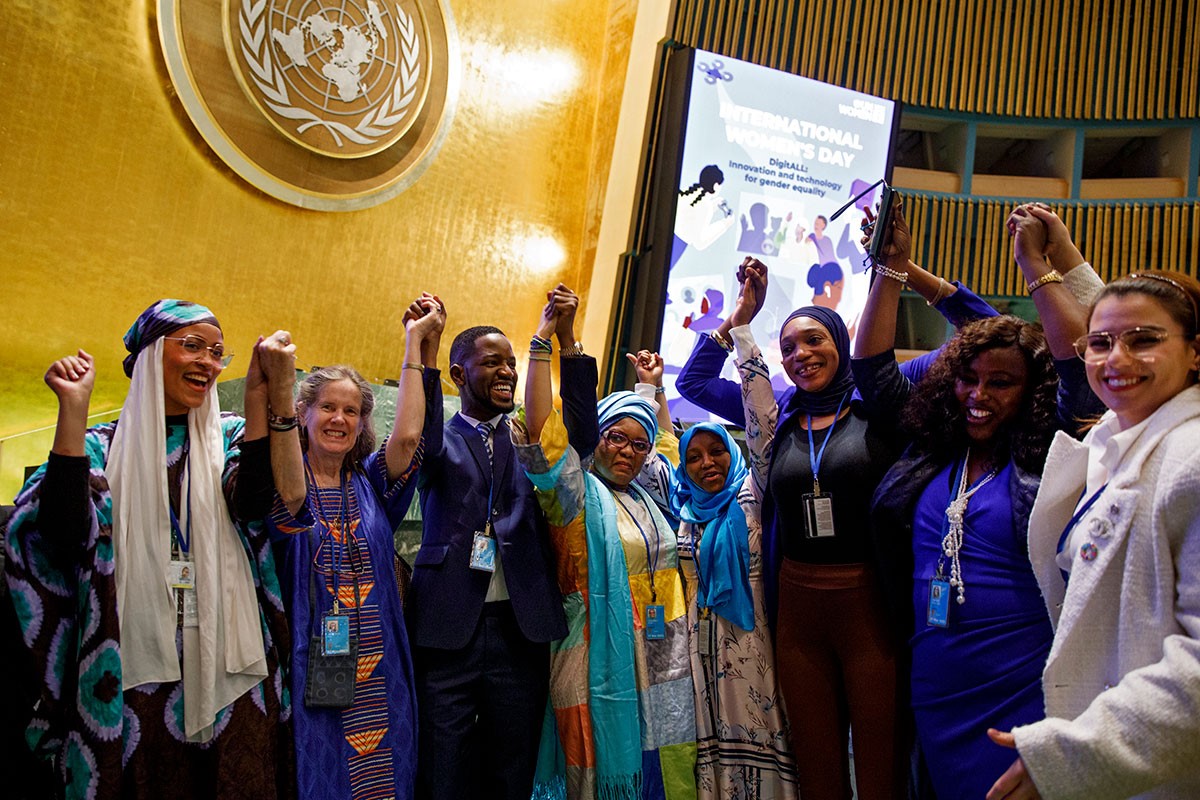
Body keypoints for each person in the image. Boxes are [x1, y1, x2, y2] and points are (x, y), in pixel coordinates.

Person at [676, 259, 996, 800]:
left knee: (880, 771)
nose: (801, 355)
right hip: (798, 612)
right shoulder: (775, 409)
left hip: (872, 606)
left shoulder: (887, 394)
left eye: (814, 340)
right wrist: (739, 317)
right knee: (818, 772)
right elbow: (695, 382)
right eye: (789, 348)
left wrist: (910, 274)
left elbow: (981, 336)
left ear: (843, 342)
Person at [854, 202, 1104, 800]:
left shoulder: (1046, 454)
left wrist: (1035, 264)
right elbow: (874, 375)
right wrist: (891, 269)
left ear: (1029, 389)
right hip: (935, 684)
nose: (979, 395)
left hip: (1022, 687)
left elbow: (1077, 370)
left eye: (1001, 383)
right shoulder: (931, 450)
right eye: (968, 379)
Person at [4, 300, 292, 798]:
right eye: (193, 346)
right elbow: (62, 534)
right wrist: (71, 412)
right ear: (149, 355)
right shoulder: (100, 447)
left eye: (217, 352)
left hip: (229, 660)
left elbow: (252, 504)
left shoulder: (230, 438)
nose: (208, 360)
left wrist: (257, 400)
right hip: (131, 672)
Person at [986, 269, 1200, 799]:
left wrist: (1075, 754)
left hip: (1164, 763)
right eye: (1100, 343)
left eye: (1144, 340)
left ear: (1195, 352)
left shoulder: (1191, 459)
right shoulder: (1114, 443)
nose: (1117, 359)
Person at [247, 295, 445, 799]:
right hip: (314, 665)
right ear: (303, 415)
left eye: (351, 411)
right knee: (323, 776)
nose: (340, 419)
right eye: (328, 407)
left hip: (383, 666)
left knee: (391, 777)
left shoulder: (370, 482)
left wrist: (413, 345)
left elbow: (408, 438)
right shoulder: (283, 483)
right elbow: (293, 499)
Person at [407, 285, 599, 800]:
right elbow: (420, 438)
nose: (507, 371)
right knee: (442, 768)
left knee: (510, 770)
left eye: (512, 362)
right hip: (449, 626)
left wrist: (568, 340)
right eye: (492, 363)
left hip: (521, 627)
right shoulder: (437, 439)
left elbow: (583, 437)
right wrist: (427, 346)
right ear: (458, 375)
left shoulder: (529, 439)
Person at [516, 311, 695, 799]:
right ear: (597, 438)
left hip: (662, 656)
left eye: (637, 446)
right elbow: (541, 436)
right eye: (616, 437)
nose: (629, 452)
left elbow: (666, 450)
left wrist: (651, 389)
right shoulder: (576, 494)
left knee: (659, 769)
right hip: (594, 655)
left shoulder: (651, 496)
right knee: (593, 775)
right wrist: (543, 343)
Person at [665, 258, 799, 799]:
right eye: (693, 457)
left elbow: (762, 420)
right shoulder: (684, 507)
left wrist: (743, 323)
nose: (704, 464)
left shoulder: (754, 491)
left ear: (735, 453)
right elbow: (655, 442)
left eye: (716, 450)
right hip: (704, 660)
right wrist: (654, 389)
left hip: (762, 651)